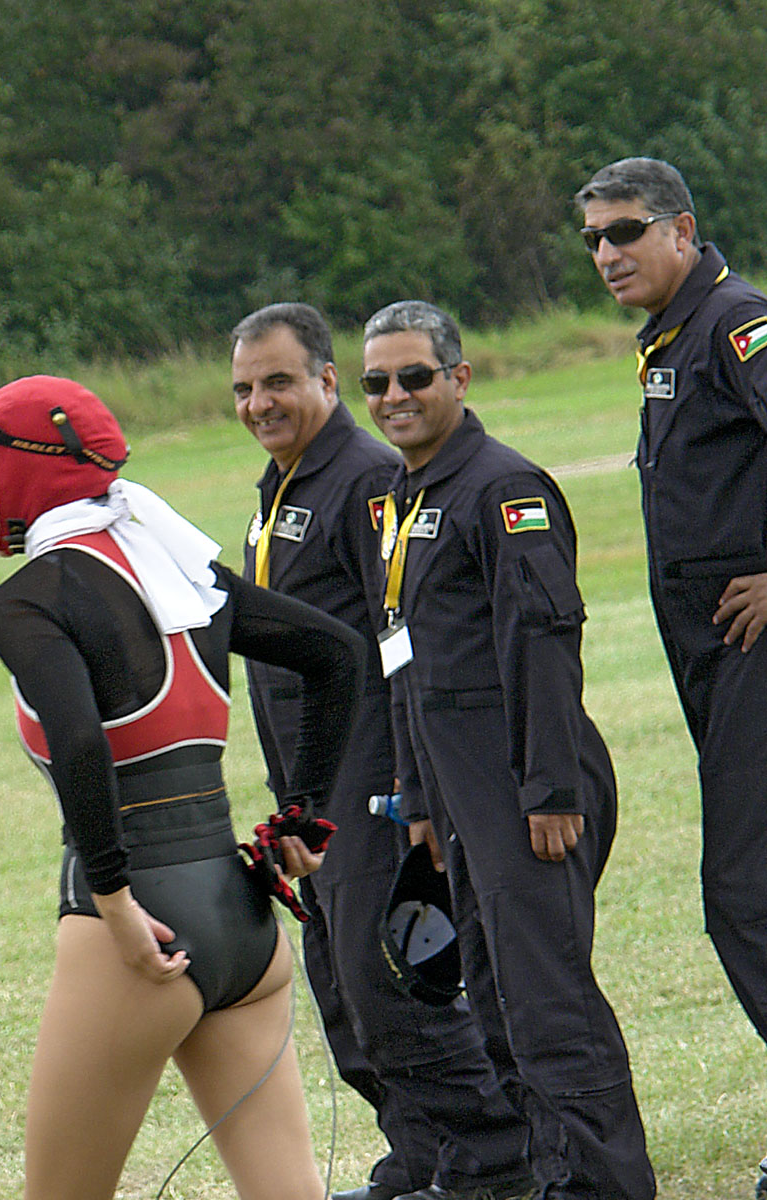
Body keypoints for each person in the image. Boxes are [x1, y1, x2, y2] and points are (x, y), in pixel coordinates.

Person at [0, 373, 367, 1200]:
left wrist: (112, 898)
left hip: (142, 930)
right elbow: (337, 655)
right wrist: (304, 816)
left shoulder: (31, 599)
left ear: (27, 472)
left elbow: (80, 740)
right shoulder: (180, 568)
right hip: (243, 918)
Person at [230, 302, 536, 1200]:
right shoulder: (279, 487)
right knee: (339, 977)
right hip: (312, 784)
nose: (260, 403)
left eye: (279, 381)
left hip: (371, 776)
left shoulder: (363, 481)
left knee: (387, 975)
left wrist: (412, 787)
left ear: (328, 380)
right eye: (245, 388)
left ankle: (490, 1159)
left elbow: (404, 640)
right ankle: (422, 1154)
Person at [360, 300, 656, 1200]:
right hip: (459, 790)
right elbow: (407, 661)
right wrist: (418, 800)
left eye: (415, 375)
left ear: (460, 377)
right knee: (493, 1005)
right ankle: (550, 1175)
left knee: (549, 1006)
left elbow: (542, 643)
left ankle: (607, 1187)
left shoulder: (500, 488)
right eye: (377, 382)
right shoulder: (406, 495)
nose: (395, 396)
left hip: (525, 777)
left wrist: (550, 789)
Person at [574, 155, 767, 1196]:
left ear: (681, 229)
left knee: (742, 894)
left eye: (626, 231)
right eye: (595, 239)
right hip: (713, 660)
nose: (607, 253)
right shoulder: (673, 336)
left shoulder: (739, 323)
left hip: (753, 648)